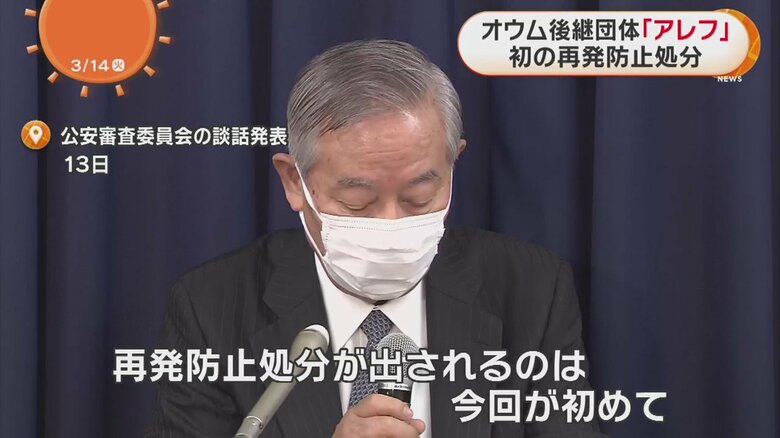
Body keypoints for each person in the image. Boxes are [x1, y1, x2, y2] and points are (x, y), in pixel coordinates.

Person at [146, 39, 605, 438]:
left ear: (453, 166)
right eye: (358, 202)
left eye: (418, 197)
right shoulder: (211, 307)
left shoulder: (531, 290)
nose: (390, 225)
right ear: (294, 182)